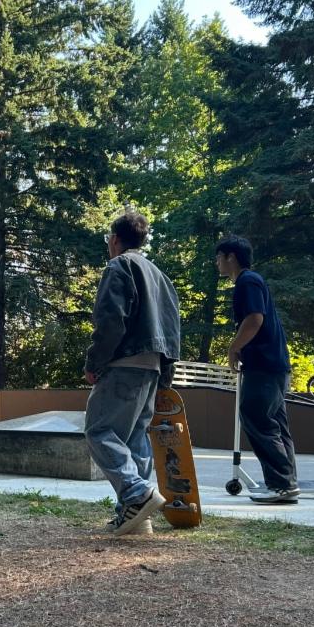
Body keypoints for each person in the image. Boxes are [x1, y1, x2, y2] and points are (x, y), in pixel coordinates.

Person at [83, 211, 182, 535]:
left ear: (114, 239)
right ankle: (137, 518)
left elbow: (111, 320)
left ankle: (136, 493)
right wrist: (166, 374)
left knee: (99, 431)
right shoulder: (160, 276)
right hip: (152, 367)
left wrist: (94, 362)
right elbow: (172, 328)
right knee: (136, 438)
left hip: (124, 362)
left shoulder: (119, 266)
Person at [216, 236, 299, 504]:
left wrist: (234, 348)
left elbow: (254, 319)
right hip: (274, 365)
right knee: (276, 424)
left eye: (219, 257)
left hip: (264, 365)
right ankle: (287, 483)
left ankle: (281, 484)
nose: (217, 263)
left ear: (231, 257)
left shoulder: (247, 281)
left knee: (256, 417)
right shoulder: (252, 280)